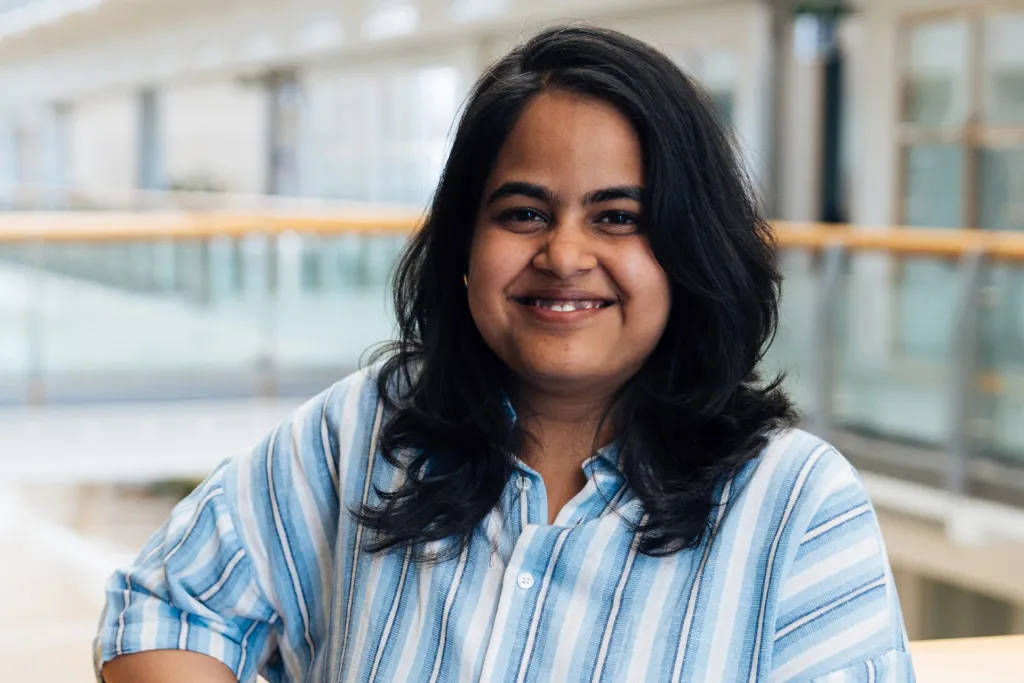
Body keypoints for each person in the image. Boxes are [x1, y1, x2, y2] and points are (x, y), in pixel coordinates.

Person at [95, 25, 915, 683]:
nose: (563, 254)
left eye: (618, 217)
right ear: (465, 242)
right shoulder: (369, 429)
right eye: (523, 213)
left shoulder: (797, 505)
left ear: (690, 250)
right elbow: (166, 607)